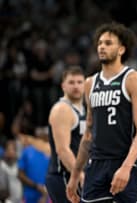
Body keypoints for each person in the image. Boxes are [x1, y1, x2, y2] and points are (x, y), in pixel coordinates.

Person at [66, 22, 137, 203]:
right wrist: (74, 175)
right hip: (96, 164)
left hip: (126, 161)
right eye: (100, 43)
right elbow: (88, 133)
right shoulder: (90, 83)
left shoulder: (133, 79)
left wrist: (127, 167)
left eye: (108, 43)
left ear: (121, 49)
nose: (102, 46)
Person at [45, 66, 86, 203]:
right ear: (63, 86)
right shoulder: (62, 110)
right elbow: (63, 150)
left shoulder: (84, 110)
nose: (76, 86)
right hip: (63, 175)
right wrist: (79, 175)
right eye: (71, 82)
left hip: (76, 175)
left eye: (80, 82)